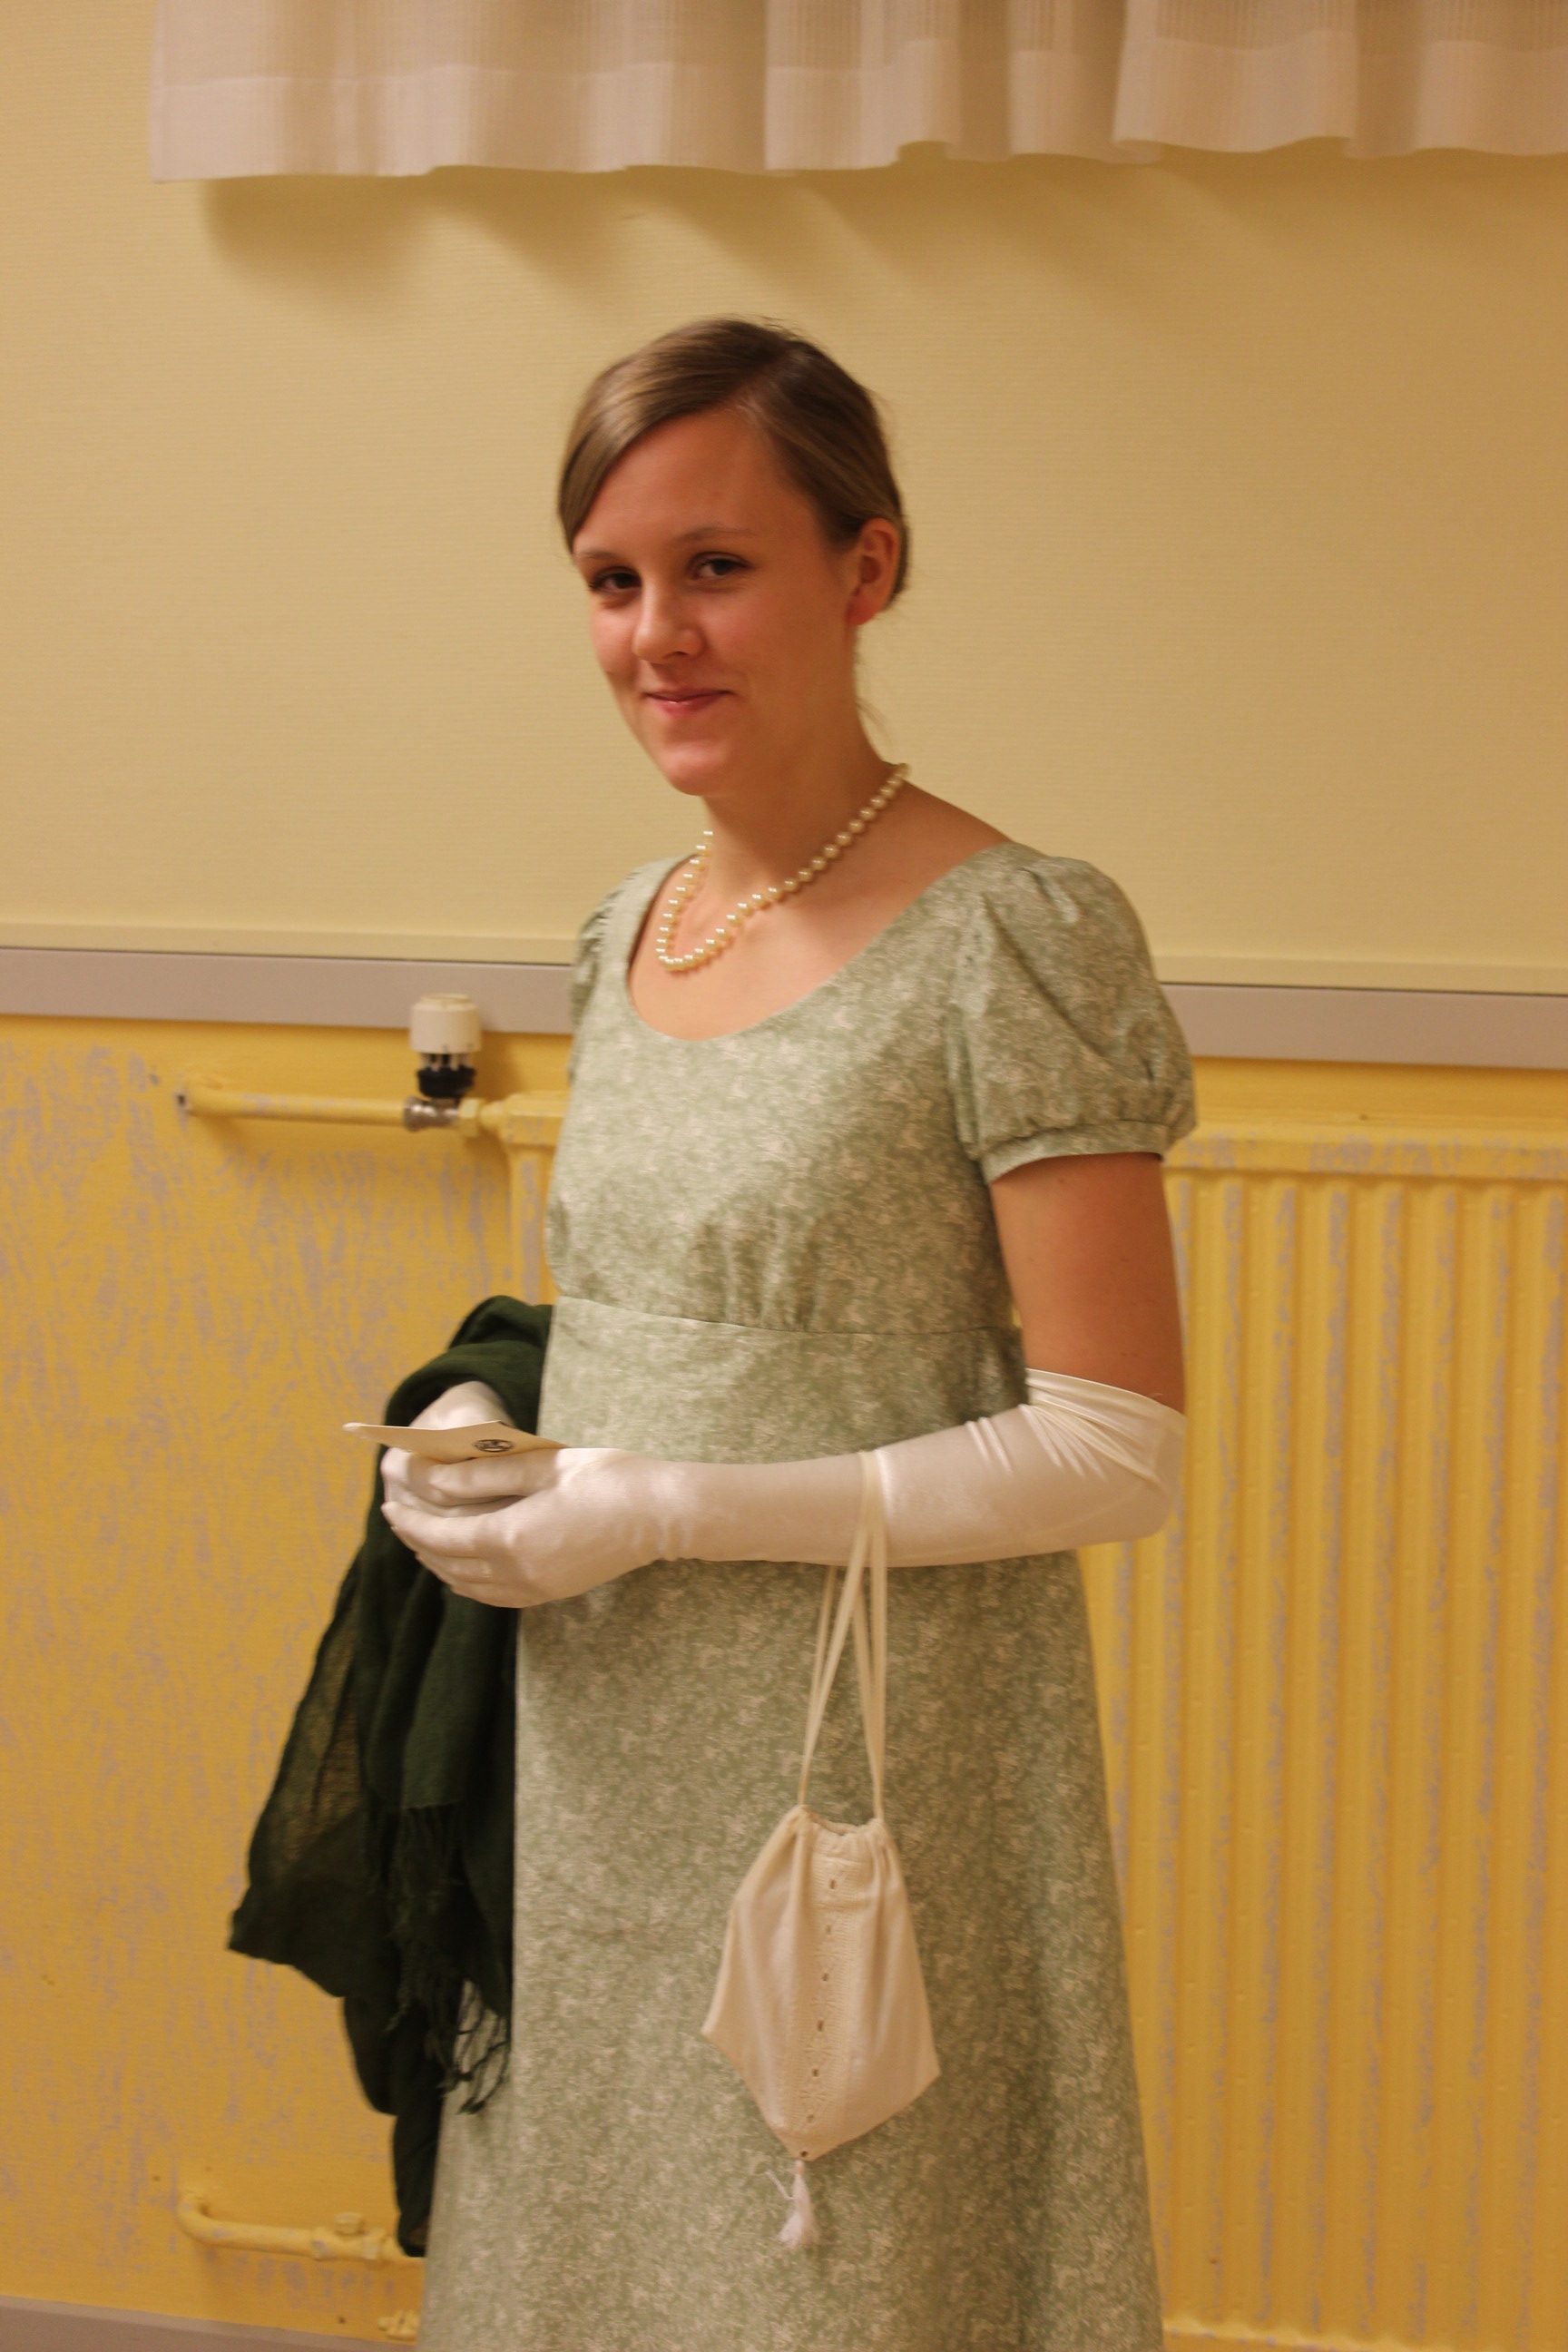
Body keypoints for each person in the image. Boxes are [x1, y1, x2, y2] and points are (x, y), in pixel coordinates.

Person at [380, 318, 1196, 2351]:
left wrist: (667, 1508)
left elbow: (1114, 1450)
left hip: (861, 1767)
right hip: (595, 1757)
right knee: (593, 2261)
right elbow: (662, 1316)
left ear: (868, 566)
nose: (657, 632)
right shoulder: (628, 929)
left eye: (718, 566)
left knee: (826, 2278)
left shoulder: (1016, 935)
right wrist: (498, 1408)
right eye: (612, 578)